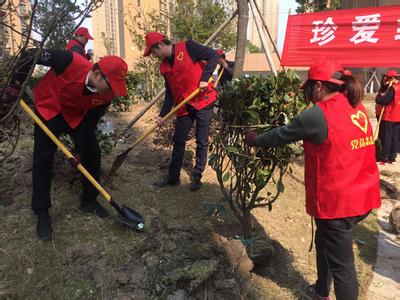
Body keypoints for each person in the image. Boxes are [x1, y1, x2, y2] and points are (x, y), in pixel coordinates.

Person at [245, 61, 381, 300]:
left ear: (318, 86)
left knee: (343, 268)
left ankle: (326, 292)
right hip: (362, 195)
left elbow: (281, 135)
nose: (307, 94)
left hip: (338, 203)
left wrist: (255, 140)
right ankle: (320, 290)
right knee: (323, 240)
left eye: (308, 88)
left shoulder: (318, 114)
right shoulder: (356, 107)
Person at [11, 49, 128, 240]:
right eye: (111, 84)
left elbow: (90, 122)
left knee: (93, 152)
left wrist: (78, 150)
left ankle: (89, 201)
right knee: (43, 158)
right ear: (97, 74)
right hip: (49, 109)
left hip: (74, 116)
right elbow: (29, 55)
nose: (112, 90)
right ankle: (42, 212)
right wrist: (15, 84)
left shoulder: (106, 96)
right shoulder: (67, 60)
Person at [143, 32, 218, 191]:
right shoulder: (164, 67)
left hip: (203, 99)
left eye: (154, 52)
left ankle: (197, 175)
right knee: (178, 139)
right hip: (184, 104)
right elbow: (170, 92)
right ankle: (173, 177)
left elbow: (213, 55)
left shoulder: (188, 47)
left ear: (160, 45)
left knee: (201, 139)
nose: (154, 56)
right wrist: (162, 114)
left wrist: (204, 78)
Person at [375, 70, 400, 164]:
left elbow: (385, 100)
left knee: (387, 137)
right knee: (394, 137)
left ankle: (384, 156)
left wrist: (378, 98)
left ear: (392, 78)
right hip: (398, 116)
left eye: (389, 79)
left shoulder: (393, 88)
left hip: (389, 116)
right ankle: (392, 156)